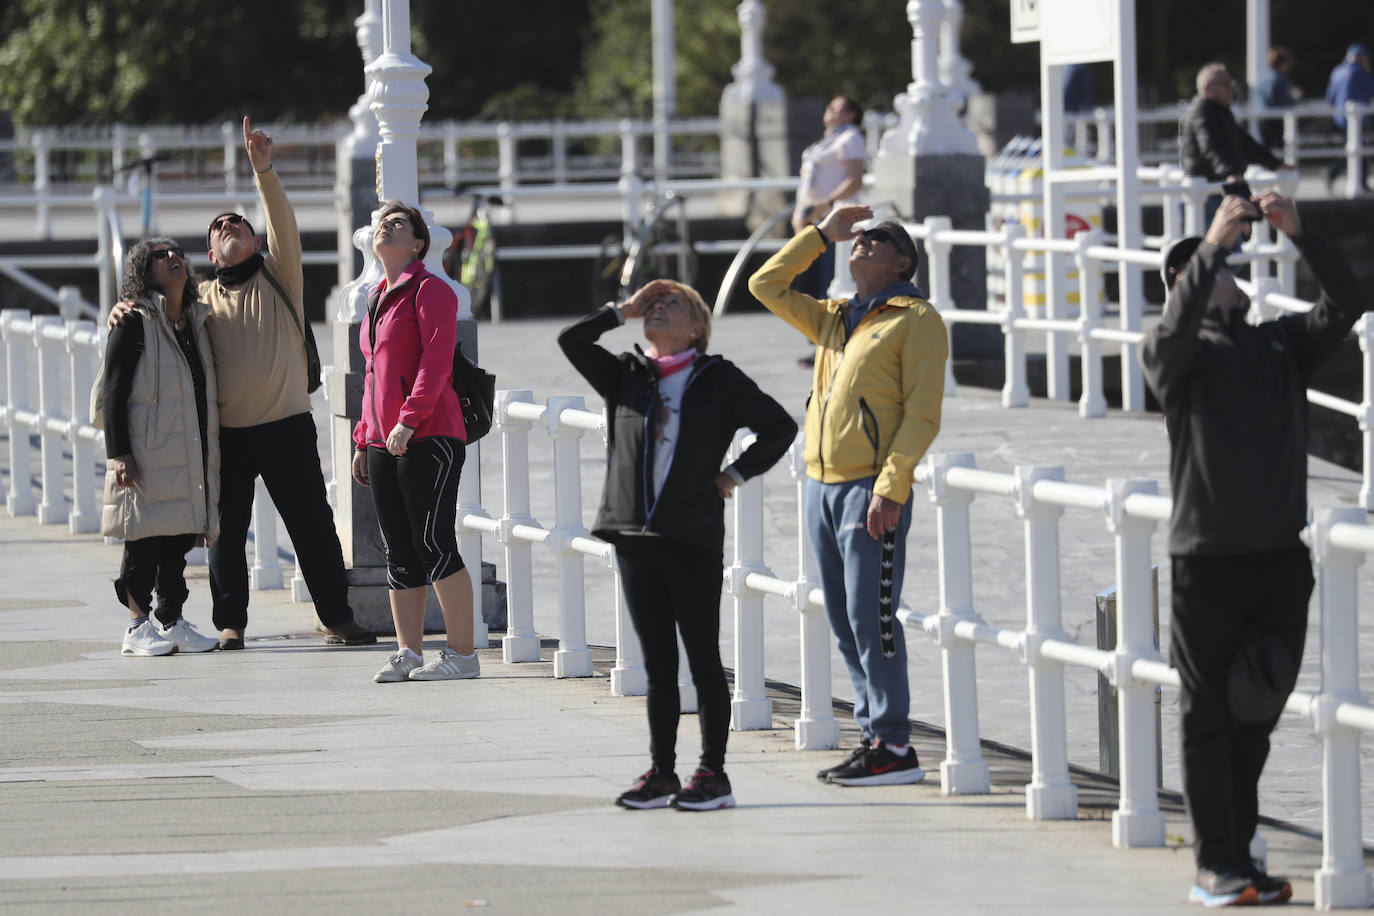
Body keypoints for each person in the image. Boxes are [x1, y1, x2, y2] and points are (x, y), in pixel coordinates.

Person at [1140, 190, 1365, 908]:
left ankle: (1241, 857)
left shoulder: (1278, 344)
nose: (1203, 278)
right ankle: (1217, 866)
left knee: (1257, 717)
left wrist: (1300, 231)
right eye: (1186, 276)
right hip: (1204, 565)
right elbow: (1171, 327)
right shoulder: (1175, 359)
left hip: (1278, 562)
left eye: (1211, 269)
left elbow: (1350, 299)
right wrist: (1206, 246)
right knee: (1208, 719)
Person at [111, 118, 374, 650]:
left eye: (239, 222)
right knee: (224, 536)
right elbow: (155, 312)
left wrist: (263, 172)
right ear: (210, 253)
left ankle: (336, 616)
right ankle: (230, 622)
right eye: (218, 226)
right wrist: (124, 306)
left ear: (255, 239)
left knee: (314, 528)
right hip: (226, 435)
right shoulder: (199, 297)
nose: (229, 225)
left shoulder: (281, 274)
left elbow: (283, 221)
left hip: (288, 427)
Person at [558, 279, 796, 811]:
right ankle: (662, 773)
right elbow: (572, 341)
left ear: (698, 328)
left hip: (691, 535)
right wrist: (621, 311)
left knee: (703, 658)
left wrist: (732, 474)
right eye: (654, 305)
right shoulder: (627, 374)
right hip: (633, 534)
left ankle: (713, 774)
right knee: (658, 663)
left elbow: (779, 427)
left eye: (674, 305)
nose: (660, 308)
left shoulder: (719, 378)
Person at [749, 204, 948, 787]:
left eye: (875, 240)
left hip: (870, 490)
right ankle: (875, 738)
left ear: (903, 260)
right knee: (841, 618)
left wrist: (891, 488)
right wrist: (818, 235)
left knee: (873, 617)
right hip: (822, 484)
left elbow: (922, 414)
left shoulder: (916, 319)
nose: (860, 243)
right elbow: (765, 284)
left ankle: (893, 743)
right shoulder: (836, 318)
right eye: (856, 239)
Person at [351, 202, 478, 683]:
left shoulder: (432, 290)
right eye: (381, 222)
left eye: (397, 224)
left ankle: (463, 655)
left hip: (429, 433)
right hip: (384, 439)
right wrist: (365, 439)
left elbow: (436, 362)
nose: (385, 227)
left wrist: (408, 418)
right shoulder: (378, 295)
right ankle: (408, 651)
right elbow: (372, 375)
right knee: (398, 546)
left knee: (434, 540)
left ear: (418, 243)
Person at [98, 239, 221, 656]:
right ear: (144, 271)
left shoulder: (194, 317)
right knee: (143, 538)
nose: (173, 258)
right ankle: (136, 626)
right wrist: (120, 453)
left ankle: (172, 620)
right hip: (147, 448)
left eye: (176, 252)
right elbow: (112, 393)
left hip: (186, 445)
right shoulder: (133, 320)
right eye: (160, 255)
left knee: (178, 538)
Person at [791, 95, 867, 301]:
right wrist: (800, 213)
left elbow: (854, 180)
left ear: (852, 114)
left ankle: (829, 332)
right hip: (811, 219)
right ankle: (814, 332)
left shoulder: (851, 138)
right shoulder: (826, 140)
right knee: (807, 286)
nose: (830, 110)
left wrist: (825, 204)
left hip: (834, 220)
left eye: (837, 108)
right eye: (829, 107)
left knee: (829, 283)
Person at [1180, 63, 1283, 191]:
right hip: (1209, 188)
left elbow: (1245, 143)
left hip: (1216, 182)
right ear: (1207, 88)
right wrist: (1230, 173)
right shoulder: (1203, 112)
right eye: (1225, 84)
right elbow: (1211, 146)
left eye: (1230, 83)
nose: (1231, 88)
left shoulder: (1221, 111)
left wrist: (1276, 164)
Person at [1325, 43, 1374, 191]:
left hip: (1339, 118)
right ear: (1361, 58)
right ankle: (1335, 173)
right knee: (1358, 150)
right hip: (1357, 120)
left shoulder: (1337, 71)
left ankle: (1340, 175)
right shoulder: (1359, 72)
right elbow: (1371, 90)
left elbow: (1330, 98)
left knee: (1351, 149)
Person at [1256, 47, 1299, 152]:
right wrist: (1296, 98)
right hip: (1274, 119)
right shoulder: (1279, 78)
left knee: (1266, 149)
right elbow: (1283, 101)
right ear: (1282, 63)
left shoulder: (1264, 77)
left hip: (1262, 119)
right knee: (1279, 150)